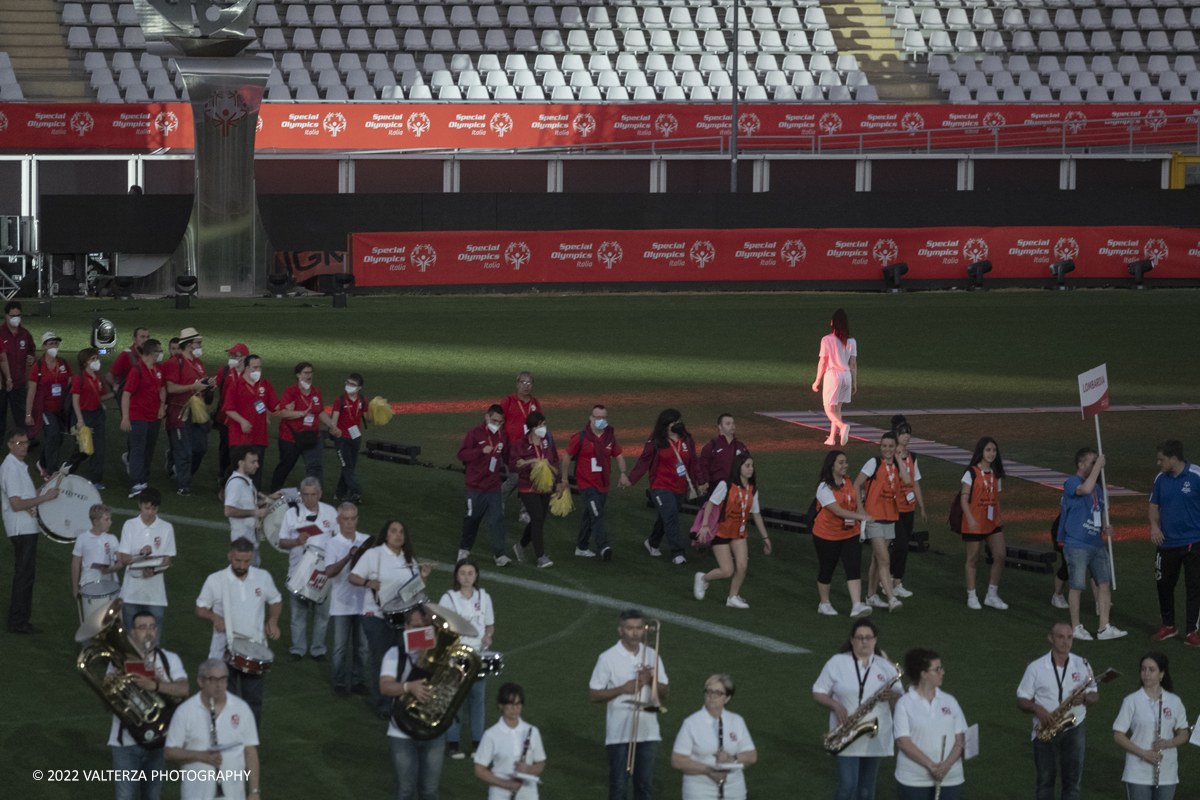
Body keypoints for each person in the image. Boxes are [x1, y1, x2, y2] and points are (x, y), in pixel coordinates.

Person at [195, 538, 283, 724]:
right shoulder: (215, 580)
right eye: (237, 561)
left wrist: (273, 621)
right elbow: (200, 607)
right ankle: (222, 745)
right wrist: (214, 617)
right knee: (223, 701)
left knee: (253, 702)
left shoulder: (263, 577)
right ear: (229, 556)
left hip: (254, 650)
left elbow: (275, 600)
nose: (242, 565)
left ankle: (250, 747)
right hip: (223, 650)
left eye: (246, 561)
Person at [350, 520, 432, 719]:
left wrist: (423, 577)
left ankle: (401, 699)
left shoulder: (409, 559)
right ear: (386, 535)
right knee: (381, 659)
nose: (398, 535)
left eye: (401, 532)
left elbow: (413, 591)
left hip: (403, 619)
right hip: (375, 616)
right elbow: (353, 577)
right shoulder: (373, 554)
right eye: (393, 531)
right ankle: (383, 705)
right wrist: (368, 582)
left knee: (404, 658)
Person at [813, 618, 902, 800]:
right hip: (845, 732)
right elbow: (818, 692)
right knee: (848, 784)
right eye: (860, 637)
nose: (864, 642)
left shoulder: (886, 666)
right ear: (852, 640)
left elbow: (901, 701)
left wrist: (891, 696)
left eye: (869, 637)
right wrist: (835, 704)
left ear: (875, 640)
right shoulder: (837, 662)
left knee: (866, 789)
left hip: (875, 734)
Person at [589, 608, 670, 800]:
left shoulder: (652, 655)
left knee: (644, 787)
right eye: (630, 628)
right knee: (619, 787)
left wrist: (650, 679)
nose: (635, 633)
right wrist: (622, 689)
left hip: (648, 732)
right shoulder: (607, 658)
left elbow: (665, 692)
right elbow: (594, 695)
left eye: (639, 628)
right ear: (620, 630)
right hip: (619, 734)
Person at [109, 609, 189, 800]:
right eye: (142, 628)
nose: (149, 632)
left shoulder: (169, 659)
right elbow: (107, 704)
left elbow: (184, 689)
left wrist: (155, 685)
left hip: (158, 743)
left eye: (152, 627)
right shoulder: (118, 662)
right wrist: (112, 689)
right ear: (133, 633)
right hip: (125, 743)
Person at [1017, 622, 1099, 800]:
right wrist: (1036, 708)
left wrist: (1085, 698)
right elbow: (1021, 699)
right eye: (1061, 637)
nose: (1066, 642)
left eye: (1069, 637)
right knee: (1045, 783)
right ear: (1051, 639)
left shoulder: (1082, 663)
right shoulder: (1036, 668)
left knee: (1073, 784)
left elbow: (1094, 693)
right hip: (1046, 728)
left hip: (1074, 727)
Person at [164, 658, 261, 800]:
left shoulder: (242, 709)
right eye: (212, 679)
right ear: (200, 682)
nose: (219, 685)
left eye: (223, 679)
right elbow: (169, 752)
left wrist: (254, 791)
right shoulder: (185, 711)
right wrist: (202, 756)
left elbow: (250, 752)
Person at [1059, 447, 1126, 641]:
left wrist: (1106, 526)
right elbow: (1085, 489)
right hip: (1077, 543)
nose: (1096, 464)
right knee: (1077, 586)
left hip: (1096, 543)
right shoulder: (1072, 482)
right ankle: (1076, 627)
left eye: (1096, 461)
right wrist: (1099, 467)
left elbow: (1100, 510)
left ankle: (1104, 627)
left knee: (1104, 584)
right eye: (1091, 461)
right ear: (1080, 465)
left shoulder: (1099, 488)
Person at [380, 604, 446, 800]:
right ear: (407, 627)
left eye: (425, 627)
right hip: (401, 731)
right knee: (405, 790)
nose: (420, 631)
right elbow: (385, 687)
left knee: (430, 791)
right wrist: (409, 687)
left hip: (433, 730)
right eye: (416, 626)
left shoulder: (441, 656)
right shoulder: (395, 653)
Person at [693, 453, 772, 609]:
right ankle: (703, 578)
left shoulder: (752, 490)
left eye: (752, 466)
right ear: (739, 467)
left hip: (739, 533)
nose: (751, 469)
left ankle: (733, 597)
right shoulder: (726, 485)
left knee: (742, 566)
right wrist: (704, 525)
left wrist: (765, 538)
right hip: (721, 531)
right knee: (727, 570)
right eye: (747, 466)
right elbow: (710, 504)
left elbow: (756, 514)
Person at [627, 408, 705, 566]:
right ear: (666, 425)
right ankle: (678, 553)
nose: (678, 424)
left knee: (665, 517)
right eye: (674, 422)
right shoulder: (656, 441)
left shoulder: (687, 440)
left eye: (679, 421)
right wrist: (631, 479)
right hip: (660, 486)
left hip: (680, 488)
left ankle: (652, 542)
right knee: (671, 517)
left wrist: (701, 481)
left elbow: (694, 462)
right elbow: (644, 461)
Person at [2, 429, 58, 633]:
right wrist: (45, 498)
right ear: (10, 445)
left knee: (26, 576)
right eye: (19, 443)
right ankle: (17, 622)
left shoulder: (19, 467)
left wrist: (47, 488)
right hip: (21, 528)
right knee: (24, 576)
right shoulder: (10, 468)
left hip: (25, 527)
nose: (24, 446)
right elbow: (16, 504)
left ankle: (21, 620)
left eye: (26, 443)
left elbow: (27, 496)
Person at [1113, 653, 1190, 800]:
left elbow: (1183, 733)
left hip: (1167, 771)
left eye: (1151, 670)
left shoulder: (1174, 701)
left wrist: (1169, 743)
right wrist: (1143, 753)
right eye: (1143, 669)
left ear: (1161, 674)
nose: (1146, 674)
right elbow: (1118, 734)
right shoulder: (1132, 701)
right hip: (1137, 771)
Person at [440, 558, 496, 759]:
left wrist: (488, 636)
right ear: (456, 575)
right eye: (462, 573)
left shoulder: (484, 597)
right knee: (455, 699)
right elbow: (442, 628)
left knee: (477, 698)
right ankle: (453, 744)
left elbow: (489, 625)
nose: (466, 576)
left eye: (470, 573)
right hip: (455, 656)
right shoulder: (448, 599)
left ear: (476, 575)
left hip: (478, 655)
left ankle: (477, 745)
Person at [892, 649, 967, 800]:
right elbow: (903, 742)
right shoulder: (904, 704)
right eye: (937, 669)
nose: (942, 672)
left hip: (950, 778)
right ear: (923, 674)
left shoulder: (950, 701)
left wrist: (946, 766)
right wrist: (932, 767)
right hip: (914, 780)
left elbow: (961, 739)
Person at [670, 674, 758, 800]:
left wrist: (732, 758)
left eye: (718, 693)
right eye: (709, 692)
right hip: (700, 791)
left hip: (734, 790)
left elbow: (751, 756)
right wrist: (709, 770)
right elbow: (677, 760)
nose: (712, 697)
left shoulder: (737, 721)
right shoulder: (691, 723)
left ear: (727, 698)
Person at [1148, 440, 1200, 646]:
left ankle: (1191, 632)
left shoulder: (1196, 476)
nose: (1158, 463)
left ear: (1173, 459)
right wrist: (1154, 526)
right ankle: (1168, 625)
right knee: (1163, 585)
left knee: (1194, 587)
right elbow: (1153, 504)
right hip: (1167, 542)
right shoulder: (1161, 478)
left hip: (1194, 542)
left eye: (1161, 459)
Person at [279, 476, 337, 662]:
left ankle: (318, 649)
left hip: (324, 573)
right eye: (305, 494)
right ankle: (298, 648)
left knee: (322, 615)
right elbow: (281, 541)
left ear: (320, 494)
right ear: (301, 495)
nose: (309, 498)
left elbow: (340, 540)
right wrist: (296, 541)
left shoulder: (330, 512)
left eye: (313, 494)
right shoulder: (291, 515)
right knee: (298, 614)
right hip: (298, 572)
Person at [812, 450, 875, 618]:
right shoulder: (824, 487)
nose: (845, 465)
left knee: (853, 567)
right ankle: (824, 603)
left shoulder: (848, 482)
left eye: (845, 462)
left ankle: (856, 605)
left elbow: (853, 503)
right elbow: (838, 511)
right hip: (827, 535)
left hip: (849, 533)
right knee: (827, 568)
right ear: (832, 466)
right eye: (841, 462)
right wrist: (862, 517)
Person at [562, 404, 629, 560]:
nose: (601, 420)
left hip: (603, 485)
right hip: (587, 484)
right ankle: (603, 546)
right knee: (597, 514)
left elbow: (618, 455)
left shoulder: (609, 438)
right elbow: (566, 457)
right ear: (591, 418)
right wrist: (564, 479)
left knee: (590, 515)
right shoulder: (580, 438)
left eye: (604, 417)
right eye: (598, 417)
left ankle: (582, 546)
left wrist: (623, 474)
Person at [855, 432, 909, 612]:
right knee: (884, 558)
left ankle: (871, 596)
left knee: (877, 561)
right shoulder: (873, 463)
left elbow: (907, 480)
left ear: (896, 448)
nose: (887, 449)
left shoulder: (896, 466)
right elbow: (856, 484)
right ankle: (891, 598)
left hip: (890, 517)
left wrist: (899, 459)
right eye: (884, 446)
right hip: (874, 517)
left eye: (891, 446)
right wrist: (861, 510)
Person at [116, 487, 176, 643]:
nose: (149, 512)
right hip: (131, 594)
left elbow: (167, 560)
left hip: (155, 596)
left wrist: (154, 572)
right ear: (140, 505)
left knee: (153, 644)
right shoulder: (129, 525)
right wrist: (141, 555)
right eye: (146, 508)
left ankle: (150, 668)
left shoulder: (166, 528)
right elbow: (123, 558)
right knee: (130, 642)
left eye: (154, 509)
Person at [324, 502, 371, 698]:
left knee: (362, 647)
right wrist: (348, 557)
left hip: (362, 603)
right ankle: (340, 682)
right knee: (339, 648)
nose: (349, 523)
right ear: (338, 520)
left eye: (353, 518)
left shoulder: (366, 540)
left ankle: (359, 680)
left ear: (357, 519)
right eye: (345, 519)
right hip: (342, 604)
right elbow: (329, 572)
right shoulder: (332, 544)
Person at [457, 404, 511, 567]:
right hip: (474, 487)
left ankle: (500, 555)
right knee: (472, 518)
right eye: (494, 420)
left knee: (496, 520)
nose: (497, 424)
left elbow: (508, 456)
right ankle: (464, 550)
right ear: (487, 416)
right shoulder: (474, 433)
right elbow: (462, 454)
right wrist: (480, 451)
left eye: (500, 422)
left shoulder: (503, 436)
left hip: (493, 487)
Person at [162, 327, 213, 497]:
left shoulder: (198, 363)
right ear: (189, 345)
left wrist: (208, 384)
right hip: (180, 411)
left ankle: (179, 469)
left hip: (197, 409)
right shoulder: (174, 363)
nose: (201, 345)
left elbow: (199, 384)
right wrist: (193, 387)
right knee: (184, 449)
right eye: (198, 342)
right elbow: (170, 387)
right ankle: (184, 485)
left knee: (200, 447)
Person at [959, 436, 1009, 611]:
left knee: (1000, 555)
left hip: (992, 521)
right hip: (975, 521)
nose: (991, 453)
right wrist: (970, 518)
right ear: (981, 452)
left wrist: (999, 517)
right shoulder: (971, 472)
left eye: (994, 450)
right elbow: (963, 499)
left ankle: (991, 595)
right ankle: (972, 596)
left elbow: (996, 498)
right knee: (973, 558)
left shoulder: (996, 473)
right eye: (988, 450)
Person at [474, 683, 547, 800]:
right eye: (511, 704)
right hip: (500, 792)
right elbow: (479, 770)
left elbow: (540, 763)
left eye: (518, 704)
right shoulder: (491, 734)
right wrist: (506, 784)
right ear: (501, 705)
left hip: (528, 792)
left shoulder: (532, 731)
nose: (515, 709)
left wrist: (530, 769)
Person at [508, 410, 560, 569]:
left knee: (539, 520)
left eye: (544, 424)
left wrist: (558, 482)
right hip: (527, 486)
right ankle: (541, 557)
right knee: (537, 519)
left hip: (545, 486)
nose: (544, 427)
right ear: (532, 428)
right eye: (541, 425)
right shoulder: (521, 445)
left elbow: (555, 460)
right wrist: (529, 463)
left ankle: (520, 546)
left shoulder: (548, 440)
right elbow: (512, 465)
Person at [222, 354, 280, 492]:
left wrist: (286, 407)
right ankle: (228, 490)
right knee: (237, 467)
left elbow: (275, 405)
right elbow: (228, 409)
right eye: (255, 367)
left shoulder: (265, 384)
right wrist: (242, 421)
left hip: (258, 435)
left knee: (256, 469)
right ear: (247, 368)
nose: (258, 370)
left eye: (259, 367)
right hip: (240, 436)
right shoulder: (236, 385)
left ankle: (254, 496)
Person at [271, 361, 330, 492]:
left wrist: (332, 425)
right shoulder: (290, 391)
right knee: (286, 465)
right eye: (306, 373)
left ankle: (315, 497)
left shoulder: (316, 392)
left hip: (312, 436)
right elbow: (285, 413)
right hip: (291, 437)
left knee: (315, 467)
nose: (309, 375)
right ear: (298, 375)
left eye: (310, 372)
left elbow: (320, 411)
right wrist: (301, 413)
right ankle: (275, 491)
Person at [120, 338, 166, 498]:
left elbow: (161, 388)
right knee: (138, 449)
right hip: (137, 416)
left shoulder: (157, 369)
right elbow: (126, 394)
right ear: (153, 353)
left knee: (149, 449)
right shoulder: (137, 370)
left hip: (153, 416)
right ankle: (136, 483)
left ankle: (143, 479)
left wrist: (162, 405)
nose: (161, 354)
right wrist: (125, 417)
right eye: (160, 351)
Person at [25, 331, 74, 476]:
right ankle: (51, 471)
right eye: (51, 343)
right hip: (45, 409)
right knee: (53, 435)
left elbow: (71, 384)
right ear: (44, 347)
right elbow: (31, 393)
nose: (54, 345)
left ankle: (43, 462)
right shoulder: (37, 368)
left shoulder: (64, 364)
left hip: (61, 409)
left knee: (59, 438)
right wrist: (28, 414)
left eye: (56, 343)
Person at [888, 418, 926, 600]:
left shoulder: (912, 457)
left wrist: (922, 506)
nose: (906, 436)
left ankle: (897, 582)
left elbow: (915, 482)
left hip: (908, 508)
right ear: (896, 435)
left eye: (908, 432)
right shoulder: (889, 458)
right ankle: (887, 578)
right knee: (901, 545)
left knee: (903, 548)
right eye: (903, 432)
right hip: (893, 508)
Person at [223, 445, 276, 569]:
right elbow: (228, 510)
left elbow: (249, 503)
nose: (257, 465)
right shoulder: (236, 484)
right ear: (241, 463)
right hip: (242, 546)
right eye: (253, 462)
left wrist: (271, 497)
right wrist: (255, 513)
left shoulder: (246, 480)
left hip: (251, 543)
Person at [500, 371, 542, 520]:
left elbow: (539, 425)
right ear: (517, 384)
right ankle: (499, 501)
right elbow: (498, 423)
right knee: (516, 478)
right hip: (511, 450)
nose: (526, 386)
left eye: (529, 383)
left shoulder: (534, 404)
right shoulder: (508, 402)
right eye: (523, 383)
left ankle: (525, 512)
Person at [812, 309, 857, 446]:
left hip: (833, 376)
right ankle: (832, 438)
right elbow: (853, 364)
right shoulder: (851, 341)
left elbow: (823, 362)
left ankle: (842, 426)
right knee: (837, 409)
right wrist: (854, 382)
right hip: (846, 377)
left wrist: (817, 380)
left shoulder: (826, 340)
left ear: (832, 323)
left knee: (828, 409)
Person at [71, 347, 112, 489]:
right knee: (83, 449)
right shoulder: (79, 378)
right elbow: (75, 401)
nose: (96, 361)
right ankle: (68, 470)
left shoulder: (98, 377)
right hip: (85, 416)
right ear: (85, 362)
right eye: (92, 359)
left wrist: (114, 393)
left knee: (99, 449)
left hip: (97, 415)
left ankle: (95, 481)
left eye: (97, 358)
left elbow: (100, 397)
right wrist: (80, 420)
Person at [328, 372, 367, 503]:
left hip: (355, 439)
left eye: (353, 384)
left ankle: (339, 493)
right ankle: (355, 492)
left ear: (359, 388)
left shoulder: (362, 400)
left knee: (349, 467)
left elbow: (367, 418)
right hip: (342, 439)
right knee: (347, 467)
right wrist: (334, 429)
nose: (349, 386)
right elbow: (334, 420)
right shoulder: (340, 400)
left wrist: (376, 411)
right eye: (348, 383)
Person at [70, 503, 118, 607]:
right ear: (95, 522)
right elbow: (75, 563)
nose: (110, 522)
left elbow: (120, 561)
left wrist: (112, 569)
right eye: (106, 519)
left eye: (110, 519)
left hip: (110, 585)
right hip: (89, 585)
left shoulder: (112, 539)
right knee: (92, 620)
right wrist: (75, 587)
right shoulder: (82, 538)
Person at [213, 343, 248, 487]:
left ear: (245, 358)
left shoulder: (250, 373)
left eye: (236, 355)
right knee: (225, 448)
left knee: (239, 449)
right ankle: (224, 475)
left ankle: (232, 477)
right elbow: (212, 387)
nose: (232, 358)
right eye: (231, 355)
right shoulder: (224, 371)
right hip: (226, 419)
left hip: (243, 419)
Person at [0, 301, 34, 439]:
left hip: (19, 382)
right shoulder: (0, 333)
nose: (16, 318)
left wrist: (32, 357)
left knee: (21, 413)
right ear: (6, 316)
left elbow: (31, 350)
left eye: (18, 315)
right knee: (0, 413)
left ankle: (24, 439)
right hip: (1, 383)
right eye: (13, 315)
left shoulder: (25, 334)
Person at [104, 326, 149, 396]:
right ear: (134, 339)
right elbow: (109, 376)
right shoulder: (126, 355)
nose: (146, 340)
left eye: (147, 337)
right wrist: (114, 385)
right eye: (142, 337)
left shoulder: (150, 354)